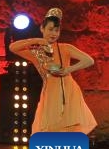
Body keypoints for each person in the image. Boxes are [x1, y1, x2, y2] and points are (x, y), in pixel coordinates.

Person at [9, 7, 96, 135]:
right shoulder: (36, 51)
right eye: (50, 29)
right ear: (42, 29)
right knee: (50, 129)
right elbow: (13, 47)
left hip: (69, 91)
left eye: (57, 30)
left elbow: (89, 60)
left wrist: (69, 69)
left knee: (68, 129)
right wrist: (37, 41)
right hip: (49, 93)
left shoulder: (65, 48)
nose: (54, 33)